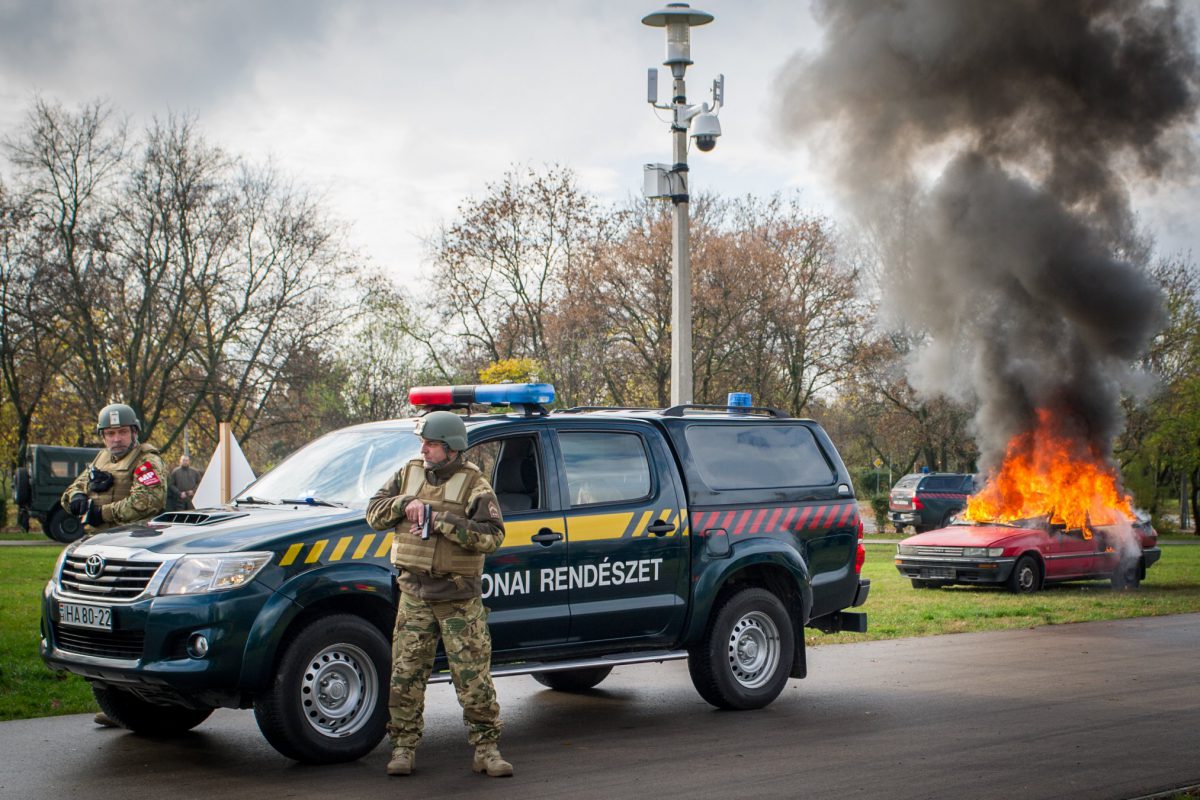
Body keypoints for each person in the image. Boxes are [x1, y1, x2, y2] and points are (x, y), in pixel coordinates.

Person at [365, 410, 512, 778]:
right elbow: (373, 514)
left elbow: (492, 536)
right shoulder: (407, 474)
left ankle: (486, 750)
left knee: (473, 679)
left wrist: (441, 521)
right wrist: (404, 504)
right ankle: (402, 747)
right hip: (414, 595)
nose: (424, 449)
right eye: (423, 443)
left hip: (458, 599)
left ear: (450, 448)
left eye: (430, 444)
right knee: (405, 677)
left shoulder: (475, 485)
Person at [60, 402, 168, 727]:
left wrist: (101, 514)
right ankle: (116, 703)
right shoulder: (101, 458)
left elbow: (148, 500)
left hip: (134, 549)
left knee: (126, 629)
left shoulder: (146, 460)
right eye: (110, 433)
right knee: (98, 628)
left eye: (122, 432)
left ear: (134, 432)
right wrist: (77, 500)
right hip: (99, 550)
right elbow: (73, 490)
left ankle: (133, 702)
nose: (116, 438)